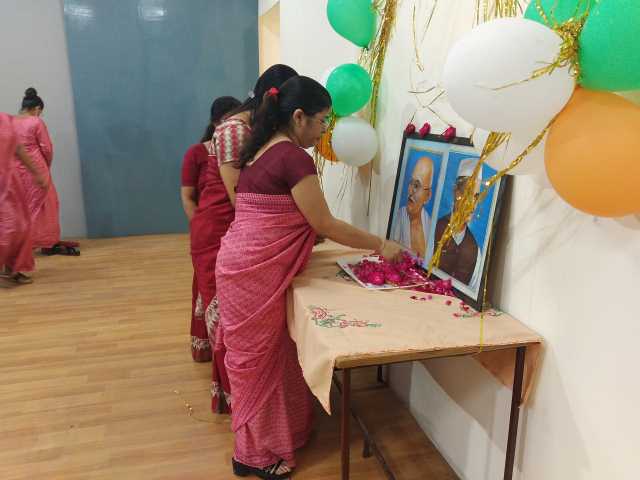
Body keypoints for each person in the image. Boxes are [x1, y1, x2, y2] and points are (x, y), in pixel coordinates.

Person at [215, 76, 404, 479]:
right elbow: (325, 223)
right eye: (322, 121)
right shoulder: (292, 157)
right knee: (259, 366)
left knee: (267, 362)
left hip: (240, 266)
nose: (324, 131)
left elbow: (283, 216)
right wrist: (380, 244)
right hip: (254, 274)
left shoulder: (261, 149)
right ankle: (256, 457)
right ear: (298, 117)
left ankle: (263, 444)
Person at [193, 64, 298, 412]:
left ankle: (251, 401)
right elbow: (240, 198)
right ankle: (241, 403)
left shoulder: (257, 129)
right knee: (230, 323)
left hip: (239, 231)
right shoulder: (234, 130)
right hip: (220, 230)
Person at [181, 96, 241, 364]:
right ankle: (221, 359)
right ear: (216, 122)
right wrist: (199, 227)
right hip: (209, 232)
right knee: (212, 294)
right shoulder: (197, 153)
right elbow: (187, 197)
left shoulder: (241, 150)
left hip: (236, 231)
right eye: (228, 120)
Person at [13, 88, 78, 256]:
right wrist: (46, 165)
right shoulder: (36, 122)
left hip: (18, 171)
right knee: (48, 205)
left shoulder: (11, 122)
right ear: (37, 108)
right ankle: (46, 242)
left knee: (25, 206)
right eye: (40, 111)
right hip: (36, 168)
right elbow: (46, 148)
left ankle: (24, 242)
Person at [0, 113, 48, 286]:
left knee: (21, 225)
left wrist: (36, 172)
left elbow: (18, 148)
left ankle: (12, 269)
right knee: (8, 226)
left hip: (10, 182)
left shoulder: (5, 121)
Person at [434, 157, 482, 291]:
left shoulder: (475, 251)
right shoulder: (435, 228)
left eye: (476, 197)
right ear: (456, 192)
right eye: (468, 194)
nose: (472, 204)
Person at [391, 156, 434, 258]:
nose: (410, 191)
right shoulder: (399, 217)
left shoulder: (430, 228)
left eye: (417, 186)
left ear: (428, 196)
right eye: (411, 183)